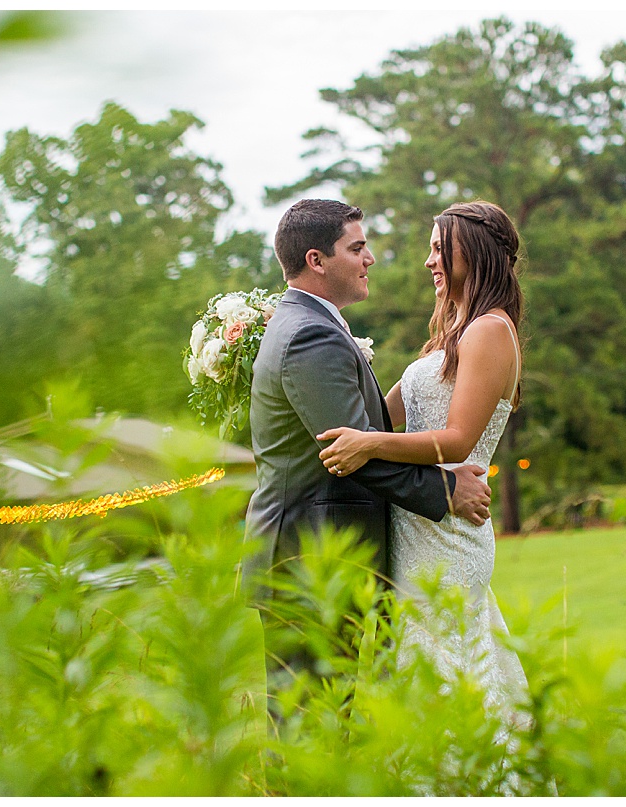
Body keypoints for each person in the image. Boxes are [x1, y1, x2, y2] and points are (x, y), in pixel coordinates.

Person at [242, 198, 493, 732]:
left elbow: (366, 439)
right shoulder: (311, 336)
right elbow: (351, 455)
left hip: (314, 556)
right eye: (356, 248)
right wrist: (446, 489)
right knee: (309, 732)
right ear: (317, 260)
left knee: (317, 725)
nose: (370, 259)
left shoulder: (309, 325)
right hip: (312, 561)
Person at [315, 200, 530, 724]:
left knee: (441, 674)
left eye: (439, 249)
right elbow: (380, 416)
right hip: (416, 528)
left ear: (472, 253)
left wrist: (368, 445)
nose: (429, 261)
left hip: (448, 534)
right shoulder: (454, 335)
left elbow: (456, 441)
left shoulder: (490, 331)